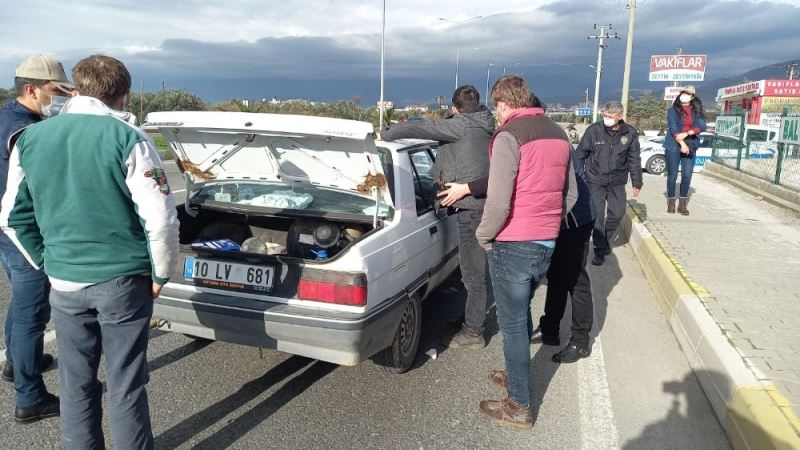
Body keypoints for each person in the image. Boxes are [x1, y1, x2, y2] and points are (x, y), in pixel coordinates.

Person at [1, 55, 179, 448]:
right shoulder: (129, 138)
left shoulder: (30, 138)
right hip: (122, 282)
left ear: (76, 90)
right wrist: (161, 274)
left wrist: (46, 262)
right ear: (126, 96)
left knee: (76, 380)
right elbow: (161, 220)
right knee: (125, 382)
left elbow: (13, 217)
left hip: (64, 282)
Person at [475, 76, 575, 429]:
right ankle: (516, 376)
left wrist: (484, 236)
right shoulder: (558, 133)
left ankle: (518, 405)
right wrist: (548, 223)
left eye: (496, 108)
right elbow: (572, 195)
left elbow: (498, 200)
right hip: (546, 241)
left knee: (513, 323)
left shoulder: (508, 135)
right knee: (522, 313)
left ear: (503, 104)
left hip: (513, 242)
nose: (496, 114)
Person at [381, 85, 494, 349]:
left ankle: (474, 332)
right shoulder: (484, 123)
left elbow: (419, 129)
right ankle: (472, 319)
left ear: (455, 108)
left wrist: (387, 133)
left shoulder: (461, 125)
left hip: (471, 209)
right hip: (474, 206)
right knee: (473, 271)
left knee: (473, 274)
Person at [0, 54, 74, 424]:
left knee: (22, 300)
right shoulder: (24, 131)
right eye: (55, 91)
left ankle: (17, 362)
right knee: (32, 312)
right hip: (21, 229)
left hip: (5, 227)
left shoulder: (9, 116)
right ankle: (30, 398)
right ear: (31, 89)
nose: (59, 98)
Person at [533, 149, 596, 363]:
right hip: (559, 219)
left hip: (575, 217)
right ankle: (549, 329)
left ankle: (580, 341)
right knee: (556, 276)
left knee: (575, 280)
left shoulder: (553, 141)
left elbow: (566, 190)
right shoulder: (538, 135)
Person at [577, 101, 642, 266]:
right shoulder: (594, 130)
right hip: (595, 180)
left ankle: (605, 240)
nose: (606, 119)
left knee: (617, 214)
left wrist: (637, 181)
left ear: (619, 117)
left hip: (617, 181)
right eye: (605, 116)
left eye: (610, 117)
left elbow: (634, 159)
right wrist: (578, 178)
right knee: (598, 216)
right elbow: (580, 155)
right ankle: (599, 250)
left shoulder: (630, 133)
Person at [664, 86, 707, 215]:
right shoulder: (673, 110)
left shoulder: (696, 111)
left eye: (688, 94)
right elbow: (673, 129)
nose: (684, 95)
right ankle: (671, 202)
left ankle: (682, 204)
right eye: (683, 93)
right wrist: (682, 143)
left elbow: (702, 126)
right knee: (672, 175)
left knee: (687, 175)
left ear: (692, 97)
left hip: (691, 144)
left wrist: (688, 133)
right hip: (673, 145)